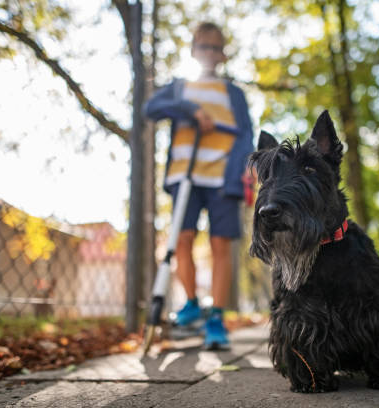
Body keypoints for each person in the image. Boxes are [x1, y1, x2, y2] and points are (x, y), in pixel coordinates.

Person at [144, 22, 254, 349]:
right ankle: (191, 303)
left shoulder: (232, 93)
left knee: (222, 245)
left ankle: (216, 316)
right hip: (185, 174)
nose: (209, 52)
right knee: (183, 238)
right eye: (203, 46)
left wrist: (245, 170)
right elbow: (151, 108)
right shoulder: (180, 87)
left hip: (222, 177)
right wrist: (191, 110)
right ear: (193, 50)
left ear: (222, 54)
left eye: (215, 47)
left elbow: (246, 133)